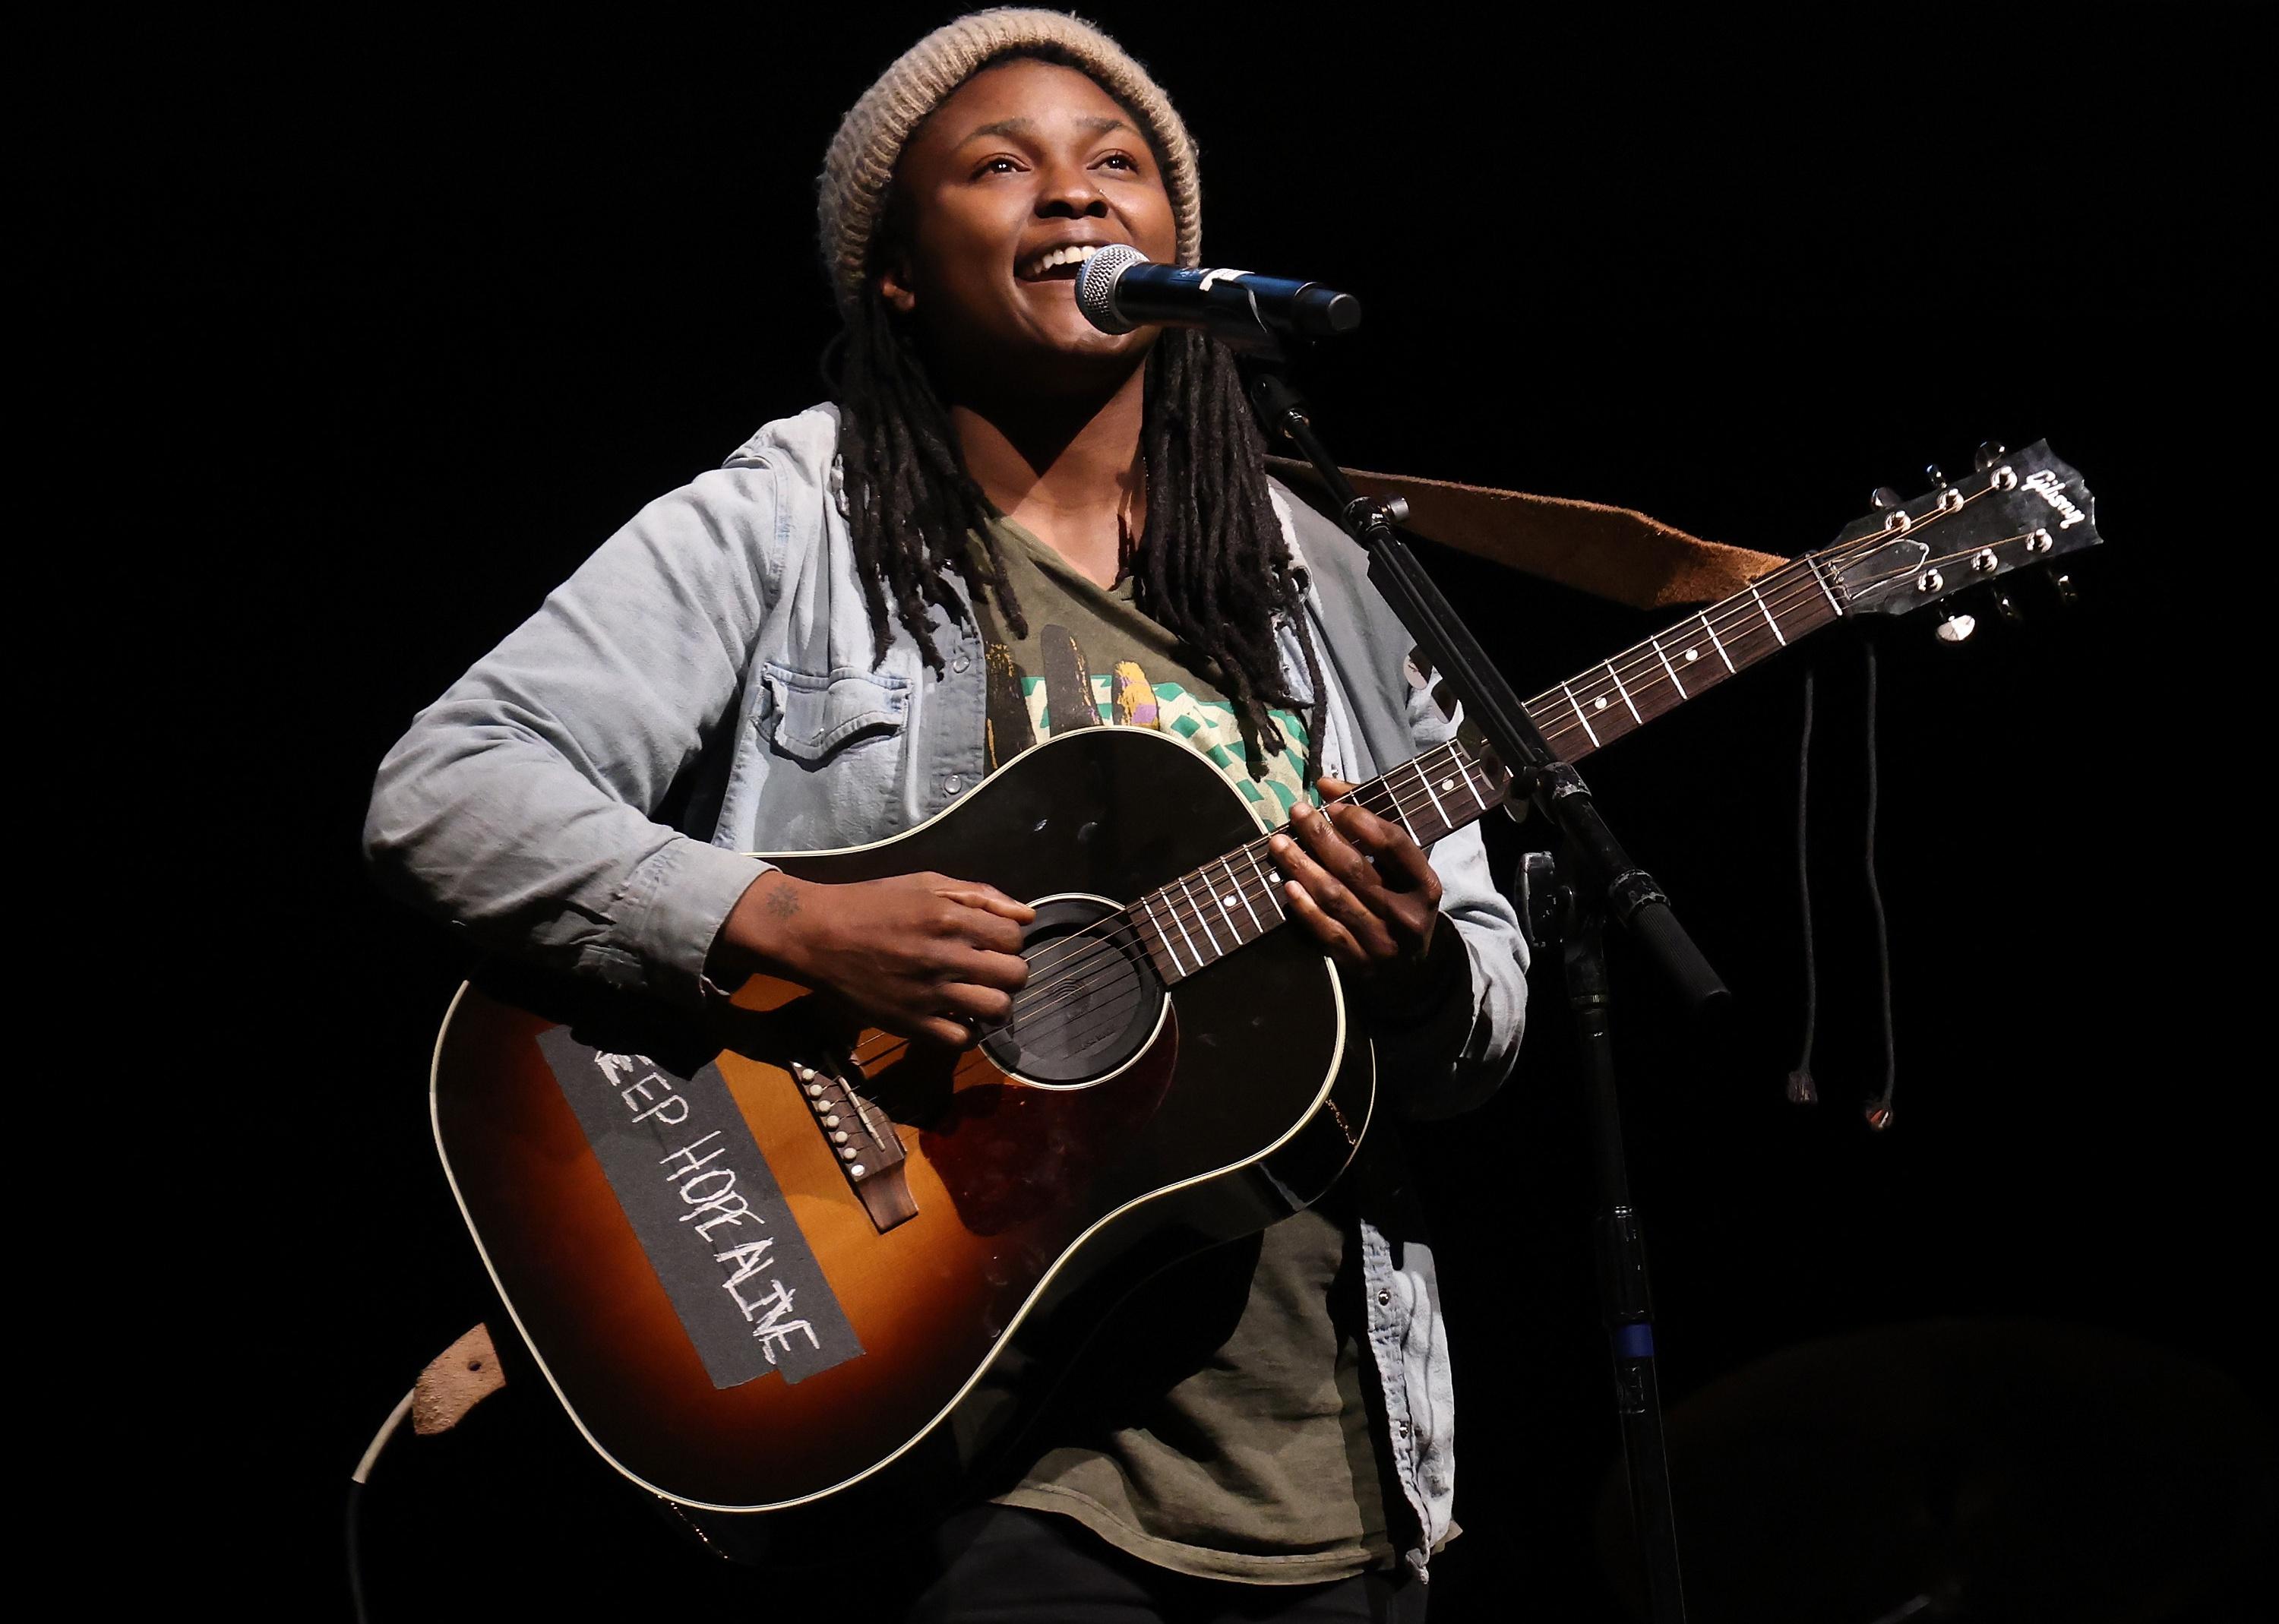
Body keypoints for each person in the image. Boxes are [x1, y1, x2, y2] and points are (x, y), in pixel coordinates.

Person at [365, 10, 1526, 1619]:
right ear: (895, 266)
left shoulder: (1329, 580)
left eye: (1118, 165)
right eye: (1002, 166)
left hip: (1321, 1470)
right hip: (953, 1453)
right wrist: (786, 921)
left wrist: (1414, 972)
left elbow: (1484, 1010)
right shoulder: (789, 520)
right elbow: (450, 787)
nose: (1074, 198)